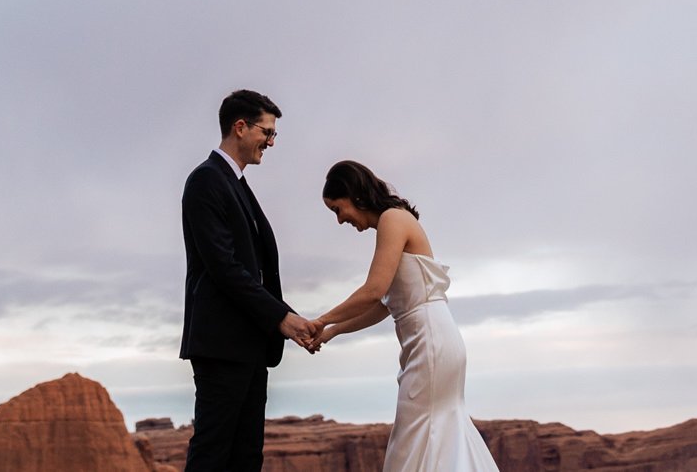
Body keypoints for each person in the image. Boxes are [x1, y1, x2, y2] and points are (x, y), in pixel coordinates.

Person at [310, 160, 501, 472]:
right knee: (439, 436)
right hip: (432, 339)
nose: (340, 220)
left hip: (430, 344)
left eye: (337, 209)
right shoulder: (394, 221)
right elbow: (385, 304)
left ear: (355, 195)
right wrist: (332, 331)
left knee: (411, 443)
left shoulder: (392, 220)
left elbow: (373, 290)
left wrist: (320, 320)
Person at [180, 90, 322, 472]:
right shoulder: (206, 181)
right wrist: (282, 318)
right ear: (239, 127)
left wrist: (288, 317)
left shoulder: (235, 183)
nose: (271, 142)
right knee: (213, 454)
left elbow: (255, 269)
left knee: (246, 457)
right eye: (267, 131)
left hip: (248, 345)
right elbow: (224, 268)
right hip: (222, 345)